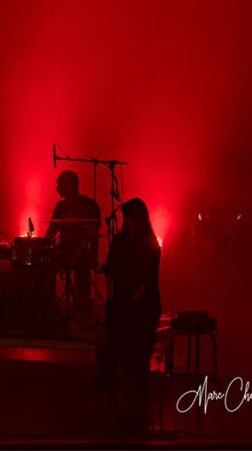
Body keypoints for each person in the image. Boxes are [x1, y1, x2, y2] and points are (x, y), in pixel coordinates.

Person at [100, 197, 162, 436]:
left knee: (138, 357)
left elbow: (148, 277)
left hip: (141, 306)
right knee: (123, 354)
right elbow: (111, 267)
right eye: (126, 218)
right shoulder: (121, 241)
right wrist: (112, 297)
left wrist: (135, 296)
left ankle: (137, 412)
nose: (127, 222)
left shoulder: (148, 244)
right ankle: (125, 411)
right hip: (122, 303)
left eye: (130, 218)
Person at [44, 170, 101, 319]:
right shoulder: (60, 206)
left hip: (83, 252)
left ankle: (83, 311)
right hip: (63, 250)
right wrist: (42, 248)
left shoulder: (89, 205)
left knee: (81, 269)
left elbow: (92, 235)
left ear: (70, 186)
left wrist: (81, 252)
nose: (56, 188)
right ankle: (49, 307)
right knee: (45, 265)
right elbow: (51, 230)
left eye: (59, 185)